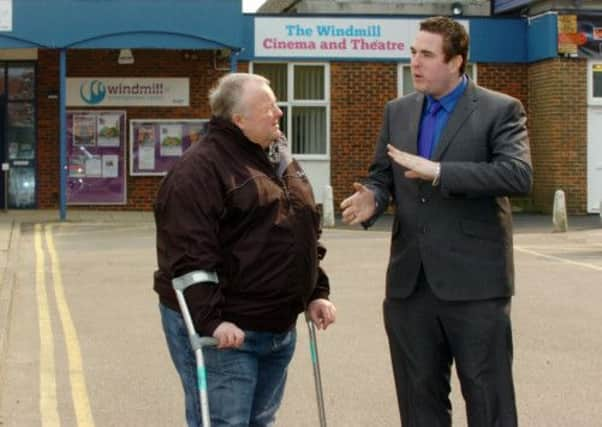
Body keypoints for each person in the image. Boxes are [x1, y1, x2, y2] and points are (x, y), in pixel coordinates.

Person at [340, 16, 532, 427]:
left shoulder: (500, 109)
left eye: (426, 54)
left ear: (457, 61)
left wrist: (441, 172)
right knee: (418, 402)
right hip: (410, 286)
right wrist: (373, 196)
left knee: (488, 401)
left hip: (476, 287)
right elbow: (382, 173)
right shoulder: (399, 111)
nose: (415, 62)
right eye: (413, 52)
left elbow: (518, 175)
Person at [154, 72, 336, 427]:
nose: (279, 113)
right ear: (238, 119)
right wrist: (213, 322)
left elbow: (301, 229)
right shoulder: (199, 170)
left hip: (277, 327)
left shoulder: (279, 156)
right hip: (227, 331)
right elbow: (188, 255)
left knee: (261, 420)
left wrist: (316, 291)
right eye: (268, 107)